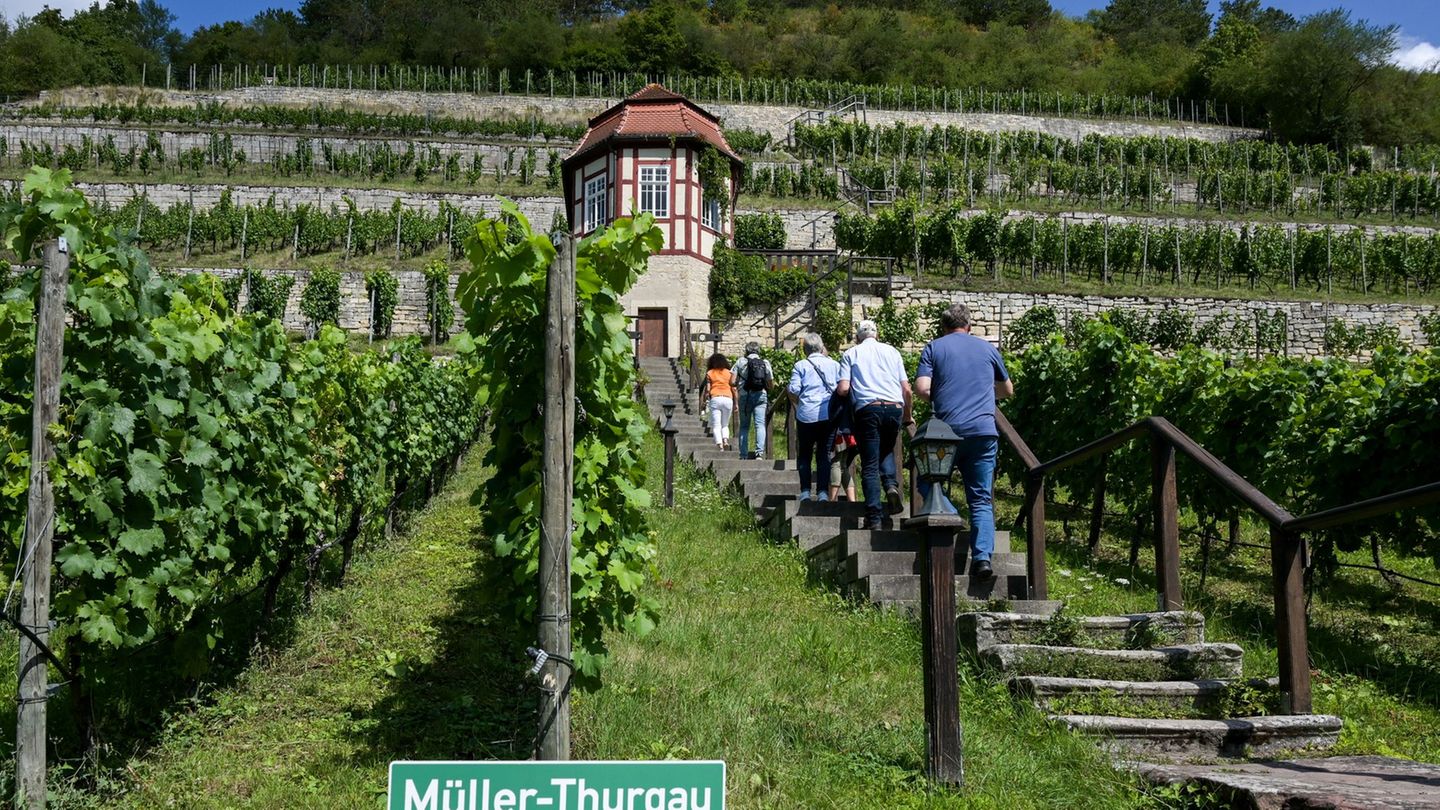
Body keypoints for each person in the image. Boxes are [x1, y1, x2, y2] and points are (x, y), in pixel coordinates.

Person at [915, 303, 1014, 580]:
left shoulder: (934, 347)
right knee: (981, 498)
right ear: (969, 326)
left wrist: (944, 392)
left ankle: (951, 515)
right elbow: (1007, 390)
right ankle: (982, 559)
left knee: (927, 480)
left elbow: (922, 388)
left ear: (943, 326)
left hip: (945, 434)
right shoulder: (987, 349)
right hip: (983, 431)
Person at [836, 319, 913, 530]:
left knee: (869, 463)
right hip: (894, 407)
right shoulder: (893, 352)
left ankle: (874, 517)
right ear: (876, 335)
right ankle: (890, 485)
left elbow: (843, 389)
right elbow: (906, 390)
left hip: (868, 409)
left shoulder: (851, 353)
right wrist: (907, 416)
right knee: (886, 450)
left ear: (858, 337)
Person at [787, 333, 841, 501]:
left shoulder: (800, 365)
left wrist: (800, 402)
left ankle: (804, 492)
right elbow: (841, 389)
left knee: (805, 454)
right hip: (828, 415)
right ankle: (823, 493)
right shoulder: (834, 365)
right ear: (821, 346)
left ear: (805, 349)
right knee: (824, 454)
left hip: (806, 415)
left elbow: (794, 390)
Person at [733, 341, 774, 460]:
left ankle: (743, 455)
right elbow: (770, 382)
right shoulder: (765, 363)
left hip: (745, 396)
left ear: (747, 351)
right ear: (758, 350)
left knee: (744, 426)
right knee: (760, 425)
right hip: (761, 395)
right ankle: (759, 454)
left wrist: (740, 383)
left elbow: (731, 381)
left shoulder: (741, 361)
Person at [701, 353, 736, 452]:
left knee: (716, 425)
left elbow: (708, 390)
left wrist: (704, 400)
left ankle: (719, 445)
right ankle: (725, 440)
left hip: (715, 398)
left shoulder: (710, 373)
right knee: (725, 424)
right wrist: (736, 402)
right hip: (728, 398)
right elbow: (734, 388)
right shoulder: (729, 373)